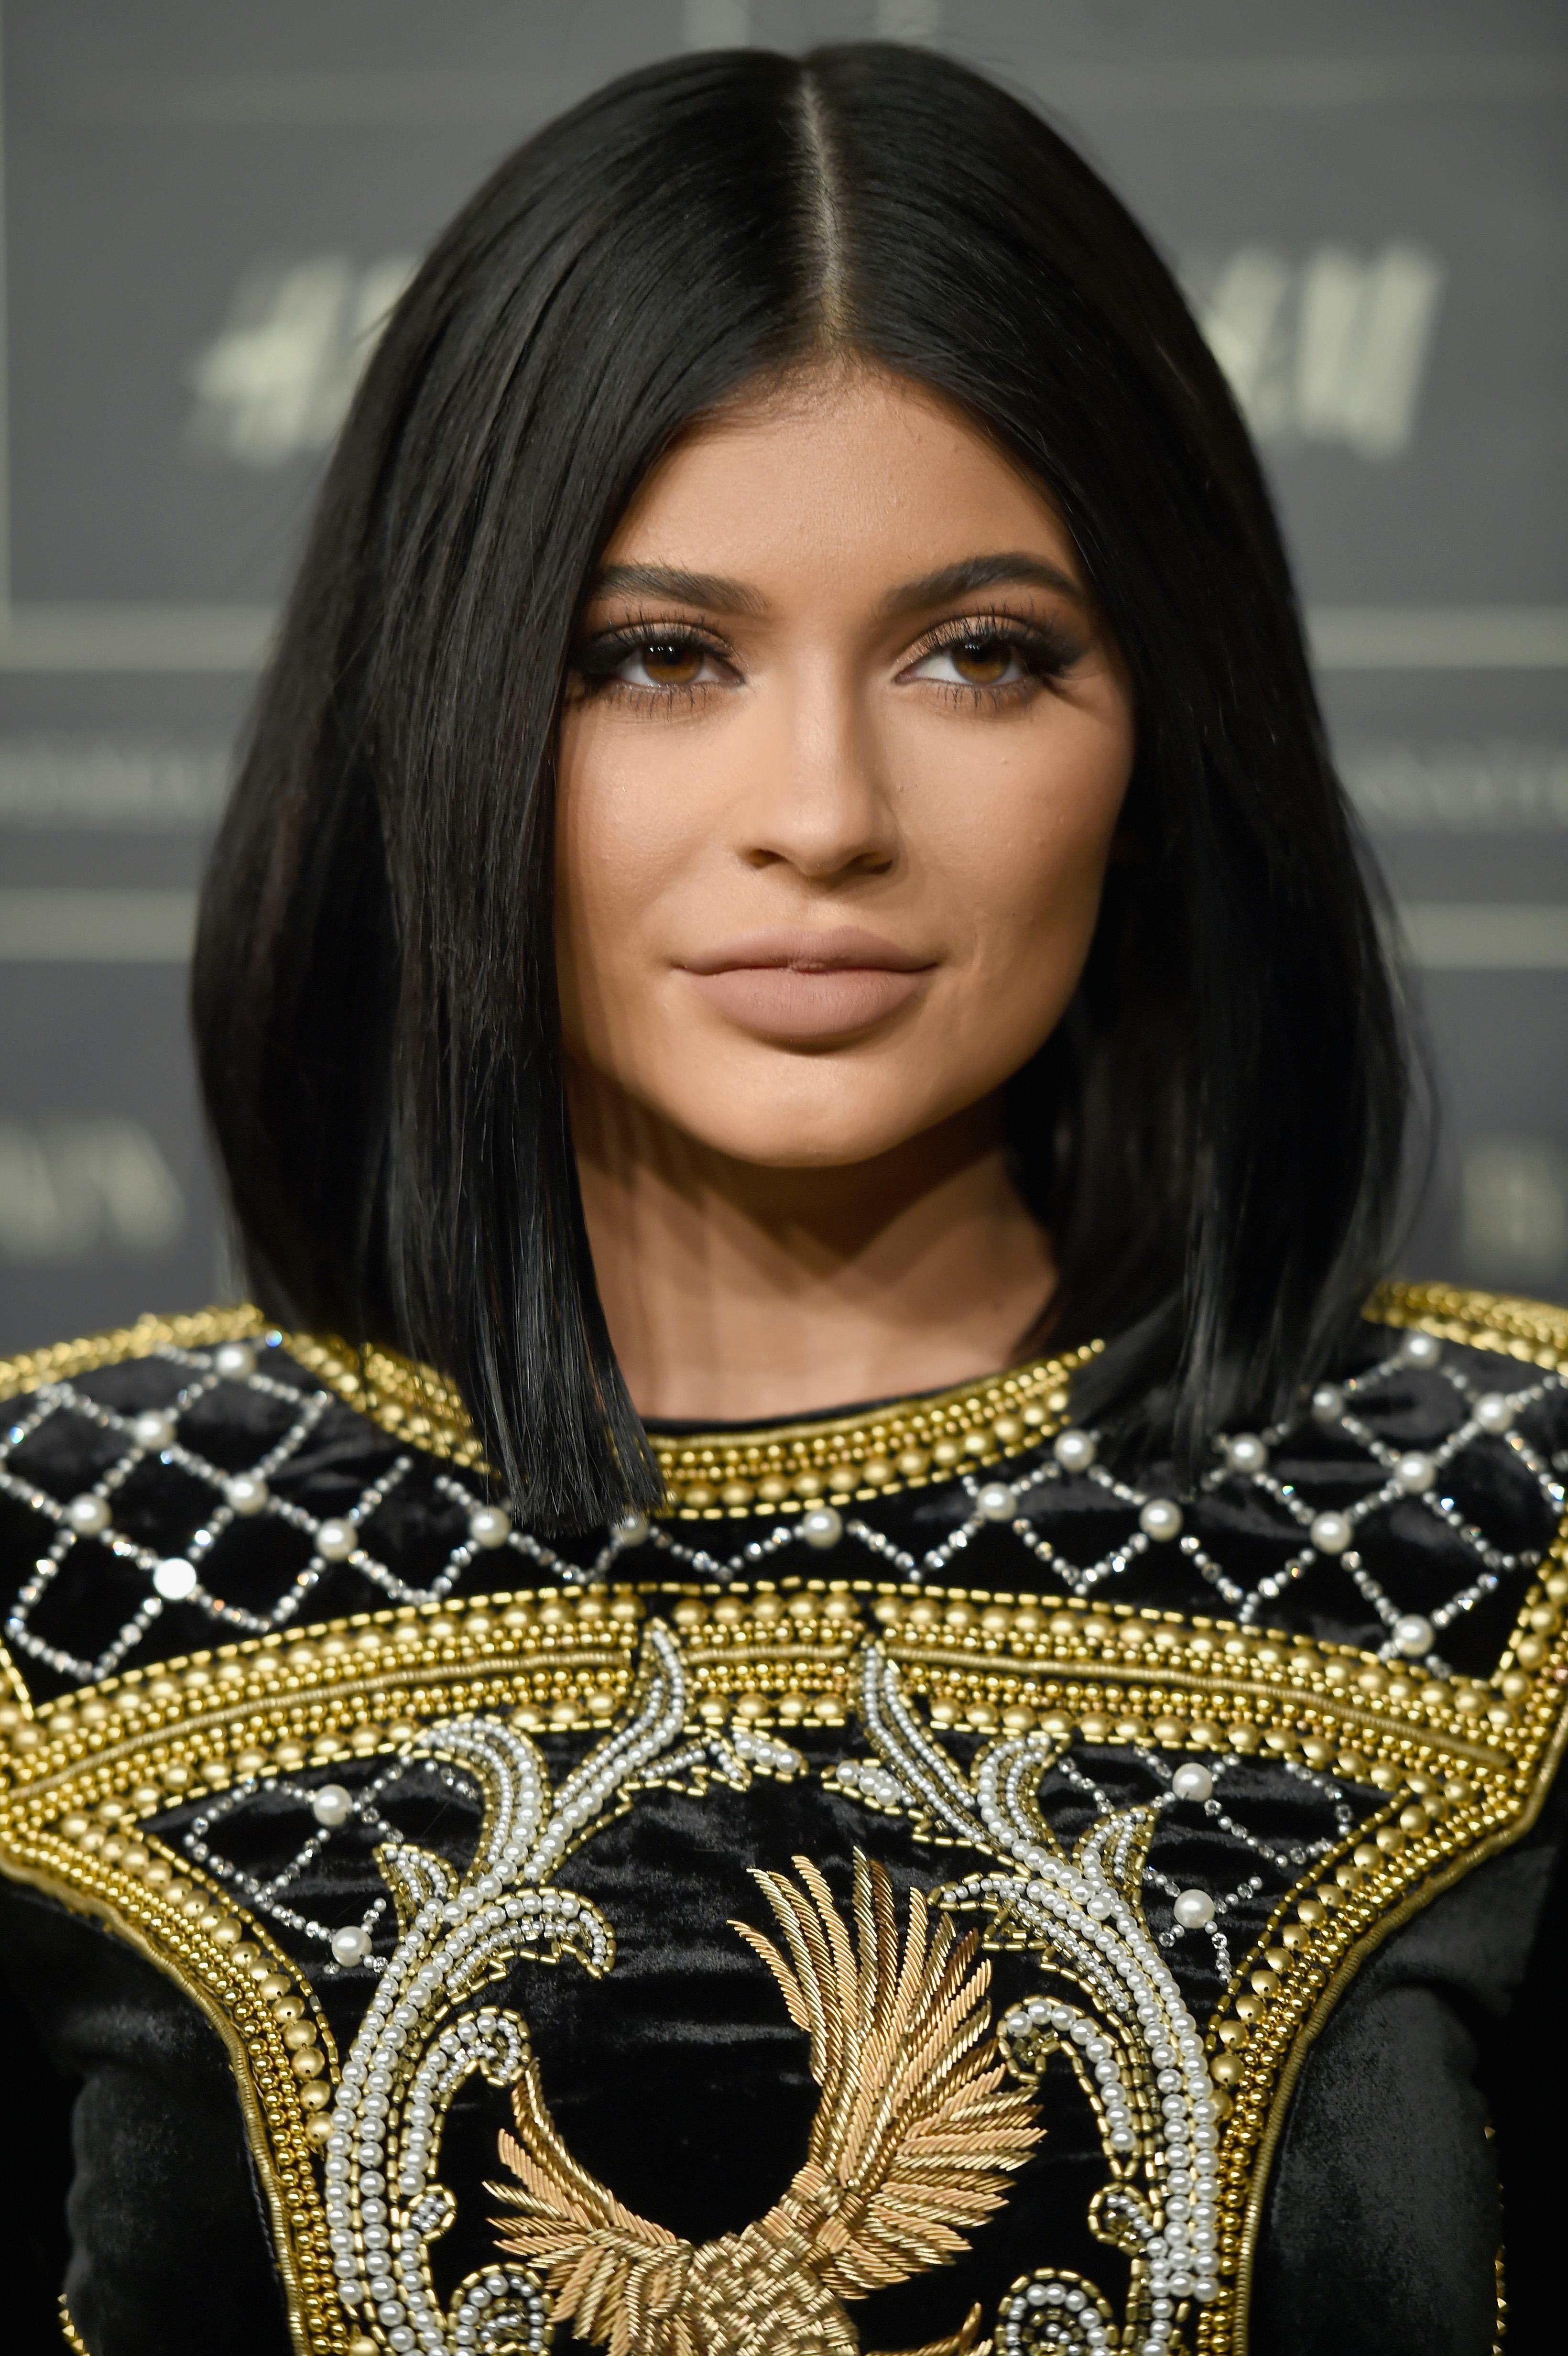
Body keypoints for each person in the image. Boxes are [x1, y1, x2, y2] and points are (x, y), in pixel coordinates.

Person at [0, 41, 1561, 2356]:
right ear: (439, 703)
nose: (822, 808)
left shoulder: (1511, 1541)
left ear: (1163, 721)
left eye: (981, 655)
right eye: (656, 658)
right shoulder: (59, 1562)